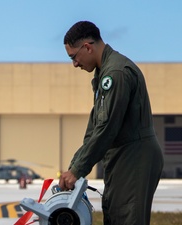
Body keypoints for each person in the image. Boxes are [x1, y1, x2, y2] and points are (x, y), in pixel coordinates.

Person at [58, 21, 163, 225]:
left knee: (125, 218)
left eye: (74, 57)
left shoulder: (115, 74)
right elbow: (94, 129)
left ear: (87, 47)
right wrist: (74, 167)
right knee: (115, 215)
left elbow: (107, 128)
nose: (75, 64)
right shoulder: (104, 73)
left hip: (134, 158)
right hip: (122, 157)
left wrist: (78, 169)